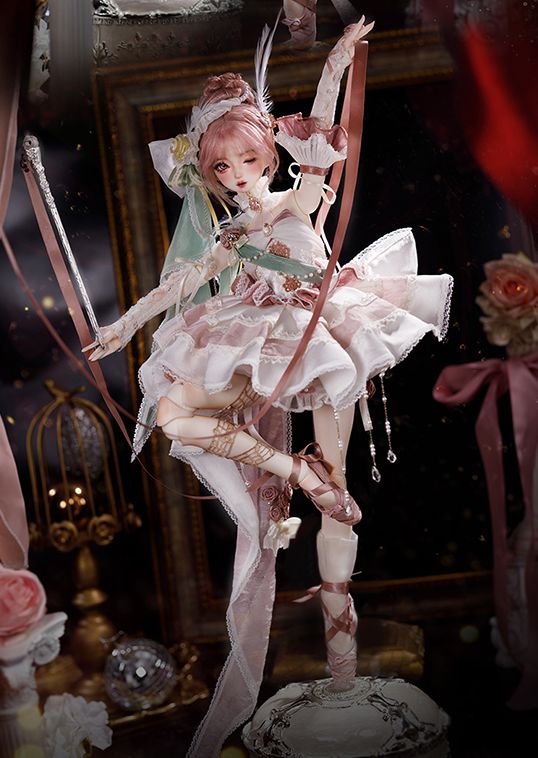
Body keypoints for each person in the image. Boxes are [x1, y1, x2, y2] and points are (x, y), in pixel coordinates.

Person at [85, 17, 452, 756]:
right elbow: (183, 283)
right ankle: (294, 471)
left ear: (268, 153)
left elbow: (319, 133)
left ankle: (344, 673)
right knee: (175, 412)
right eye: (220, 168)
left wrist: (336, 64)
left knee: (340, 487)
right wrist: (123, 326)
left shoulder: (293, 200)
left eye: (247, 159)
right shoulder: (229, 236)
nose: (235, 176)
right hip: (254, 339)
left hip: (322, 329)